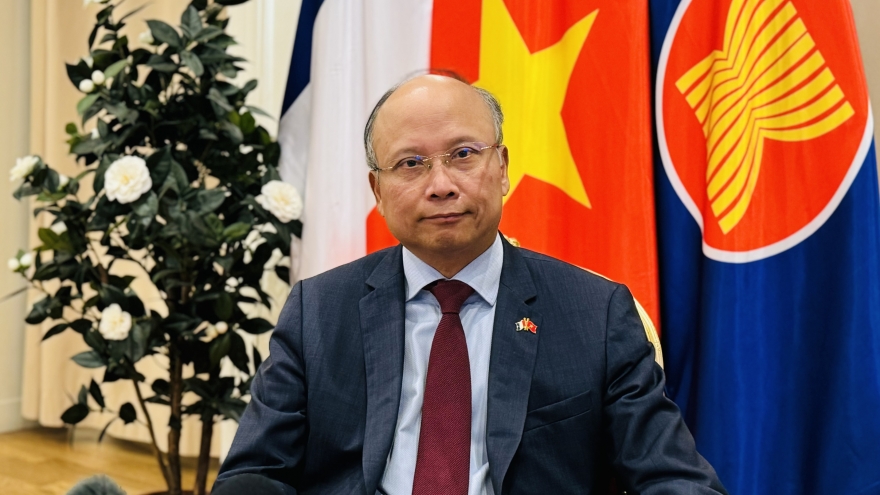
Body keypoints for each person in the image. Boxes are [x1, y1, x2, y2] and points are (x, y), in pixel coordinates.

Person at [213, 74, 727, 495]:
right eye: (411, 164)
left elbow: (672, 477)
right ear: (378, 191)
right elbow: (255, 474)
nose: (441, 185)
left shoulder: (595, 313)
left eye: (463, 154)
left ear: (501, 168)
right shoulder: (319, 311)